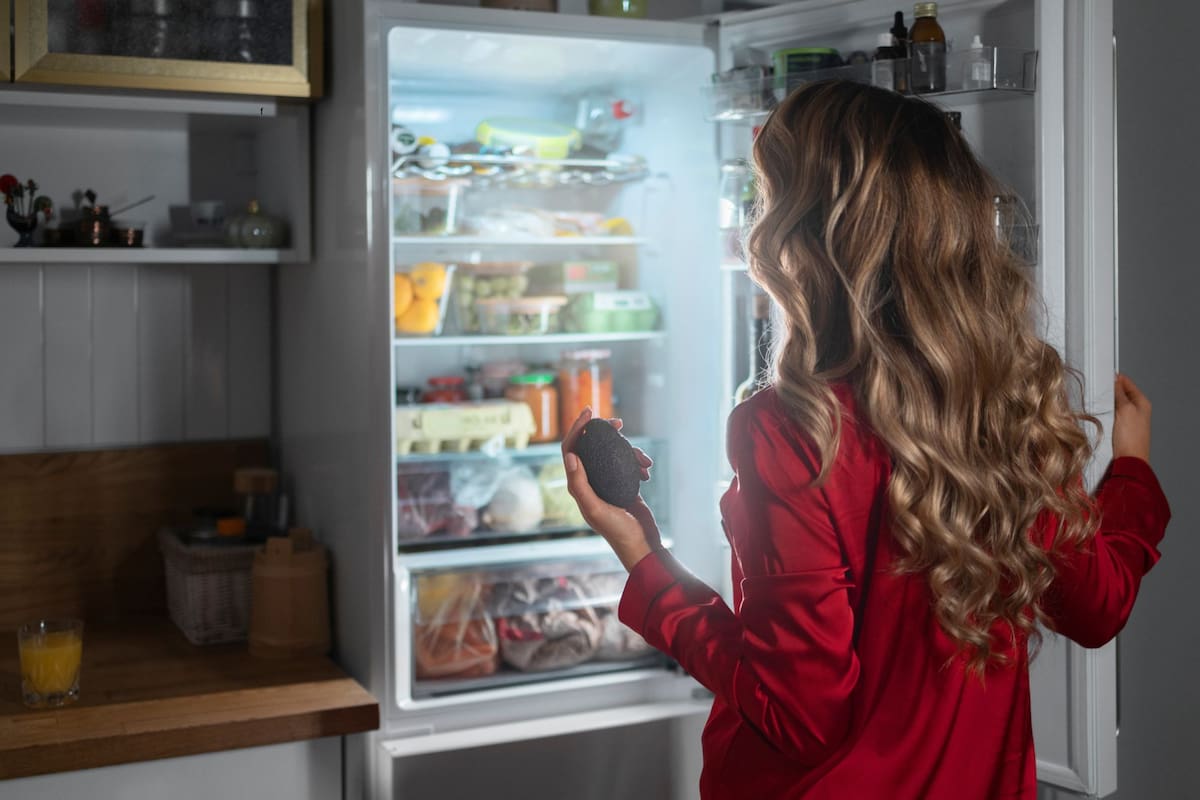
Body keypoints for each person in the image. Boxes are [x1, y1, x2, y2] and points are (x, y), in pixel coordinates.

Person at [560, 80, 1170, 800]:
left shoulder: (790, 431)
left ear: (803, 237)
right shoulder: (1004, 405)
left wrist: (644, 557)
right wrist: (1129, 471)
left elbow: (802, 716)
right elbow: (1097, 607)